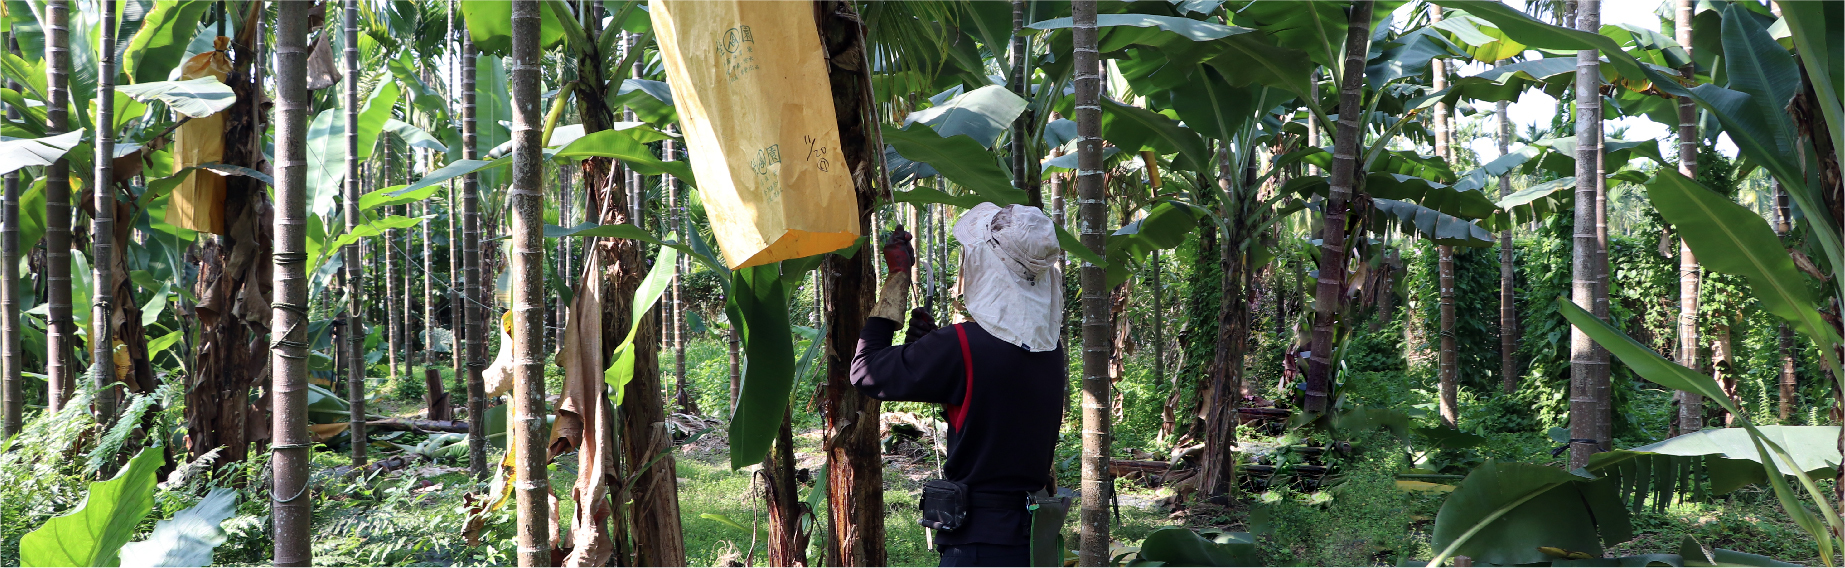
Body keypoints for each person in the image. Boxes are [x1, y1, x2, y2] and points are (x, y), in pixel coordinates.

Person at [852, 203, 1069, 567]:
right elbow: (986, 400)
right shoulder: (1050, 349)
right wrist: (925, 348)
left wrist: (898, 278)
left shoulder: (962, 345)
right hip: (1029, 541)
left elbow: (865, 370)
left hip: (978, 545)